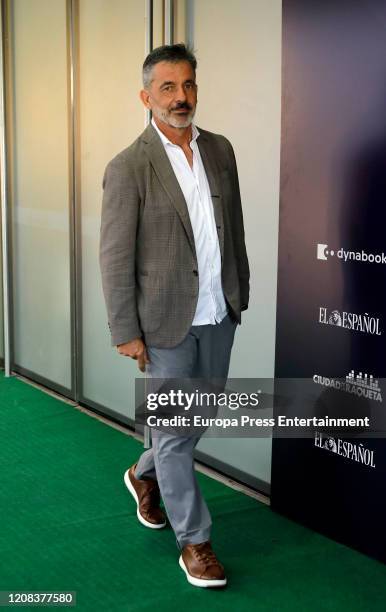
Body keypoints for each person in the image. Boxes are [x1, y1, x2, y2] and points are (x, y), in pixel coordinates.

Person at [99, 43, 249, 588]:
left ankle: (143, 473)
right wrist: (126, 331)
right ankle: (196, 541)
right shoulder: (128, 166)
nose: (180, 97)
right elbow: (115, 255)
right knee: (179, 431)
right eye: (167, 87)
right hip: (162, 323)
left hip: (217, 311)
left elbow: (232, 229)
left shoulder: (222, 150)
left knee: (192, 419)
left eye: (187, 85)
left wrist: (241, 294)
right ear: (146, 97)